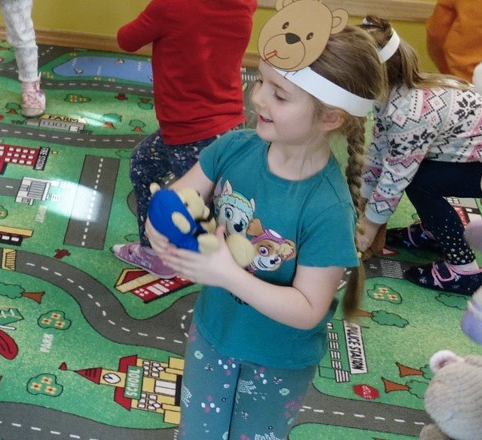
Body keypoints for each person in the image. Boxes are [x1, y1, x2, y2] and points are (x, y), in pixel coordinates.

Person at [150, 24, 386, 440]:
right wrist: (162, 226)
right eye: (261, 81)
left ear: (330, 117)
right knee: (198, 432)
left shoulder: (328, 209)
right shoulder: (235, 147)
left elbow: (308, 309)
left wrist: (227, 274)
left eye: (280, 94)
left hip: (276, 359)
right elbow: (177, 198)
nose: (257, 97)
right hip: (213, 331)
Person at [114, 0, 343, 276]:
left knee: (212, 209)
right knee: (146, 165)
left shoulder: (169, 8)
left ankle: (199, 261)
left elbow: (125, 40)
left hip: (186, 133)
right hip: (229, 125)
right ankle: (186, 252)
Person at [352, 15, 482, 295]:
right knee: (416, 171)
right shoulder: (393, 94)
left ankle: (464, 269)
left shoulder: (408, 114)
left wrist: (368, 228)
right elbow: (379, 152)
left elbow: (395, 178)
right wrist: (361, 204)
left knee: (419, 180)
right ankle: (433, 230)